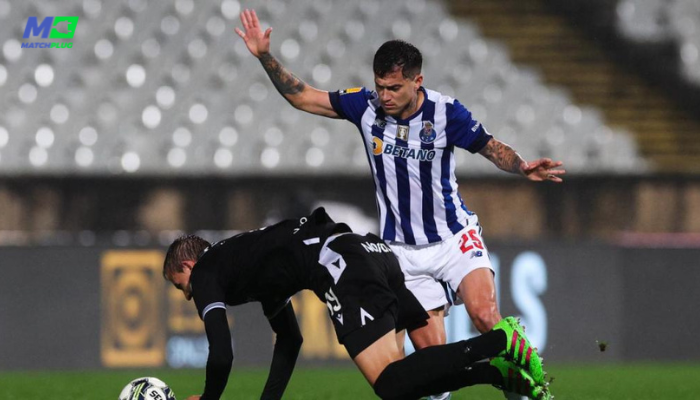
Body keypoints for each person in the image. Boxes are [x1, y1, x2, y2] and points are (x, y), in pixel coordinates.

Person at [235, 9, 564, 400]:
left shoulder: (445, 113)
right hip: (402, 255)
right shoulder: (365, 106)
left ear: (416, 81)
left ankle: (528, 393)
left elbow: (491, 147)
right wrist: (264, 57)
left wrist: (522, 166)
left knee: (486, 317)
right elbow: (303, 97)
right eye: (380, 87)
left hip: (454, 237)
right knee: (435, 365)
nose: (385, 96)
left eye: (394, 87)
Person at [163, 208, 550, 400]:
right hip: (369, 250)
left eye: (182, 285)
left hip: (340, 263)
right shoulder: (249, 267)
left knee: (388, 382)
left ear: (187, 265)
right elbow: (289, 340)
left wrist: (209, 399)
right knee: (402, 386)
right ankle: (497, 373)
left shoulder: (207, 270)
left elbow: (221, 354)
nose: (189, 294)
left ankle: (499, 342)